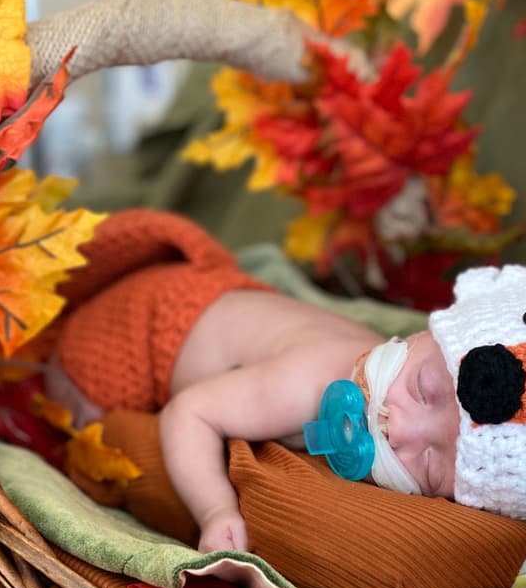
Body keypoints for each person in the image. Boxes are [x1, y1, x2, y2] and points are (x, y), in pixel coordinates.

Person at [41, 209, 459, 554]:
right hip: (127, 335)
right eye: (424, 389)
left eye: (428, 465)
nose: (399, 426)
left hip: (217, 309)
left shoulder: (410, 368)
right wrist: (215, 510)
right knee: (90, 437)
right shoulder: (307, 384)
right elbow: (190, 413)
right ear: (423, 336)